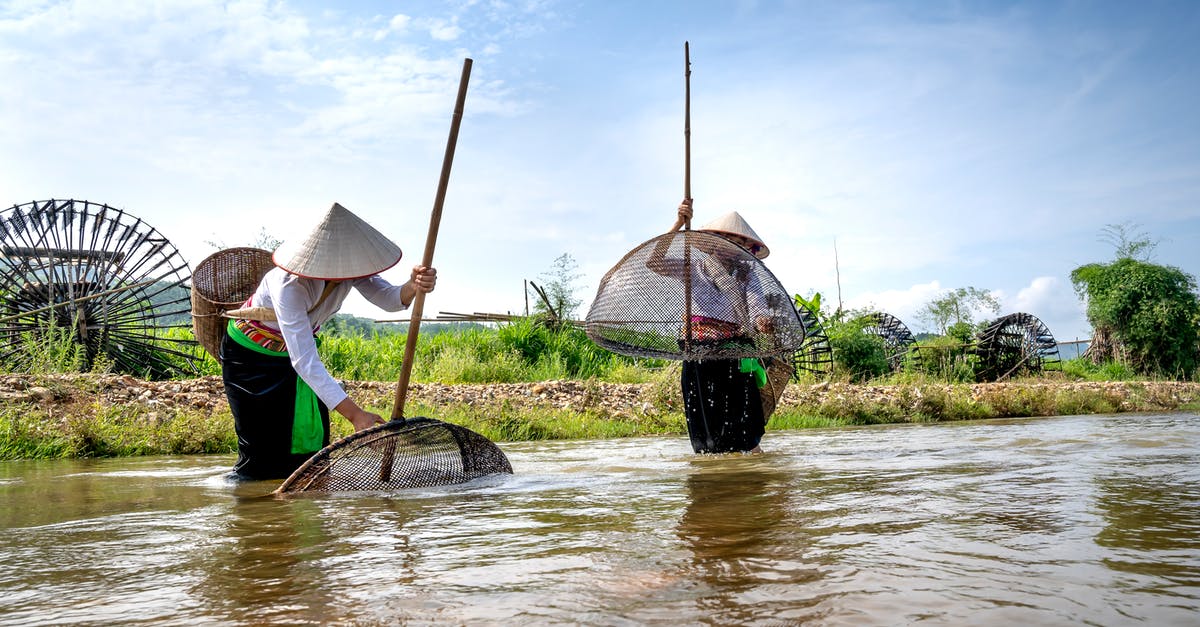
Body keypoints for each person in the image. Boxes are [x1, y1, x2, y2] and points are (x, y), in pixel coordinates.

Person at [220, 202, 437, 480]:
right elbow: (306, 362)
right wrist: (357, 415)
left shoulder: (351, 270)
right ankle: (251, 510)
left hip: (293, 355)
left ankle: (296, 512)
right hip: (251, 360)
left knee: (309, 451)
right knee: (260, 451)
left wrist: (414, 285)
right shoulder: (289, 285)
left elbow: (391, 299)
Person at [646, 199, 777, 454]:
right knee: (706, 415)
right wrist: (678, 223)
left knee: (744, 418)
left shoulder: (746, 275)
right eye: (723, 240)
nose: (729, 247)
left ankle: (748, 464)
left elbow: (757, 308)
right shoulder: (692, 267)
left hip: (735, 351)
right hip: (699, 349)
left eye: (736, 242)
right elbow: (654, 262)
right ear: (712, 243)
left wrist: (763, 323)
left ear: (745, 249)